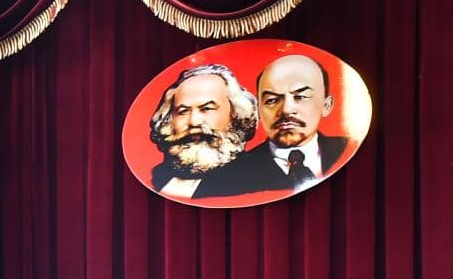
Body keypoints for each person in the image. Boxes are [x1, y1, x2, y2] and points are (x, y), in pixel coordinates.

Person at [194, 52, 349, 198]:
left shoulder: (348, 151)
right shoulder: (223, 179)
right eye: (272, 100)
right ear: (259, 111)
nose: (286, 109)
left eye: (300, 96)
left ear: (326, 105)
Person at [144, 63, 259, 198]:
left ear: (236, 115)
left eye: (207, 109)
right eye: (183, 111)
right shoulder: (157, 177)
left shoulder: (254, 179)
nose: (194, 122)